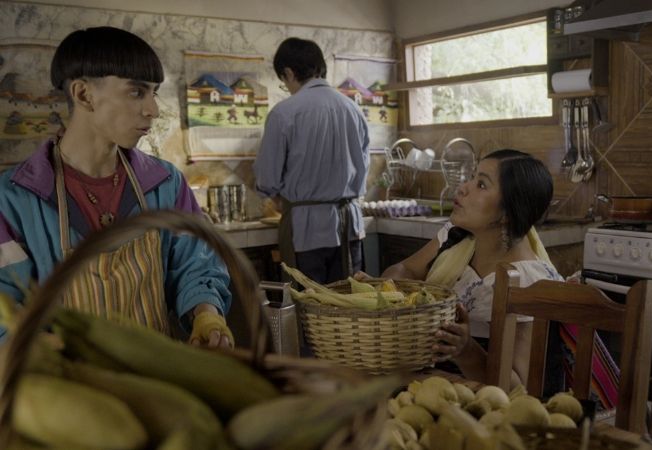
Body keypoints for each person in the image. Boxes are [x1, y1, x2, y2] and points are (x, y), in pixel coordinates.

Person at [0, 26, 233, 348]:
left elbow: (197, 264)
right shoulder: (13, 199)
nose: (153, 109)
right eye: (137, 92)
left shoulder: (166, 184)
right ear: (83, 95)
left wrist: (206, 312)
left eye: (153, 92)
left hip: (157, 378)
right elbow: (5, 311)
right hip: (62, 385)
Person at [381, 149, 619, 407]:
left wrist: (467, 349)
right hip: (430, 387)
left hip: (481, 410)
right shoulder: (457, 238)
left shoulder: (528, 282)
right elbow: (405, 270)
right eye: (472, 178)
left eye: (481, 184)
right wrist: (384, 292)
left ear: (506, 214)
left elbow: (516, 390)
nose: (463, 188)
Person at [254, 37, 370, 284]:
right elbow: (363, 168)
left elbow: (267, 178)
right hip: (350, 226)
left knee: (308, 309)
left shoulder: (284, 113)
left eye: (284, 82)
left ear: (288, 73)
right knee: (349, 308)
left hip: (306, 231)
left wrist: (273, 196)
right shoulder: (354, 110)